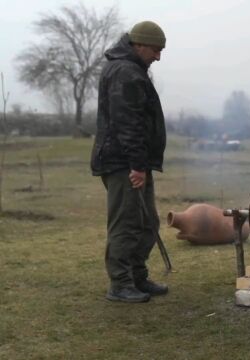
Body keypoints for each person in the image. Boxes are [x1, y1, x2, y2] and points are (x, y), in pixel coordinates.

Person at [91, 21, 168, 303]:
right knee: (126, 223)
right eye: (155, 50)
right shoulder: (124, 71)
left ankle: (137, 276)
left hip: (134, 161)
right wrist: (137, 165)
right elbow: (128, 123)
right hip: (123, 162)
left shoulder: (132, 69)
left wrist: (141, 163)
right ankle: (121, 284)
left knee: (147, 221)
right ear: (139, 45)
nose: (158, 57)